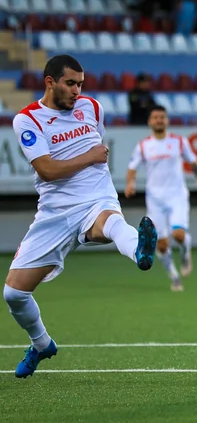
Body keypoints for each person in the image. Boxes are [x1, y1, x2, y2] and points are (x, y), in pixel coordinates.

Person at [7, 55, 158, 378]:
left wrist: (93, 161)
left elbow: (96, 148)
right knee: (14, 294)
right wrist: (89, 155)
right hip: (54, 213)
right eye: (70, 83)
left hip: (95, 199)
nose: (77, 91)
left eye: (81, 84)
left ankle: (140, 253)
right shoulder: (27, 119)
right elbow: (47, 170)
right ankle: (42, 344)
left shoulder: (91, 107)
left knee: (112, 224)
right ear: (50, 82)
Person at [125, 105, 197, 292]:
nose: (159, 120)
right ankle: (174, 277)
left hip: (177, 195)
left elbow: (192, 160)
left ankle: (185, 253)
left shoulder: (178, 142)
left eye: (162, 117)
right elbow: (132, 167)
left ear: (167, 120)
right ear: (150, 122)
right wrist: (130, 183)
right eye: (156, 117)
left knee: (178, 235)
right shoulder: (144, 146)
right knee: (161, 244)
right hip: (155, 199)